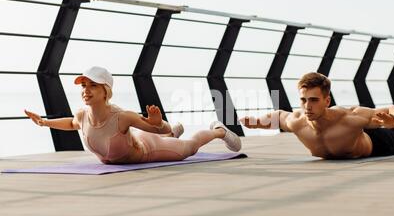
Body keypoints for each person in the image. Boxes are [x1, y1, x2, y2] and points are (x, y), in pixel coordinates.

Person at [25, 66, 241, 164]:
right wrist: (44, 122)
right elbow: (72, 124)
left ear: (105, 91)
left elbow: (155, 128)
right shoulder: (82, 115)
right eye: (83, 85)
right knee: (166, 134)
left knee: (189, 148)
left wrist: (159, 124)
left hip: (148, 149)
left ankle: (218, 131)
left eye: (92, 85)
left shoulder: (122, 117)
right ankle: (174, 132)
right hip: (136, 140)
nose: (85, 90)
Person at [240, 72, 394, 159]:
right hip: (351, 137)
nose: (307, 106)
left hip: (378, 144)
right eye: (303, 100)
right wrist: (256, 122)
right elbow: (279, 116)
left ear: (327, 101)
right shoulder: (297, 121)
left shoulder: (349, 117)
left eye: (314, 100)